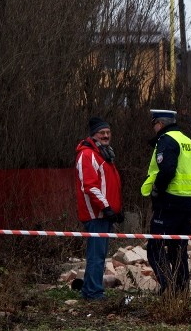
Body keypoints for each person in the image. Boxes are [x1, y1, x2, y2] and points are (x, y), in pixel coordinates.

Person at [141, 109, 191, 295]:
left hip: (169, 200)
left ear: (161, 124)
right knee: (178, 249)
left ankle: (167, 286)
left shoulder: (166, 140)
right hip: (187, 201)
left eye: (154, 124)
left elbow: (167, 170)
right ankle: (181, 290)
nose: (154, 128)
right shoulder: (187, 141)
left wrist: (157, 190)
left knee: (155, 247)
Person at [75, 116, 123, 300]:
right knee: (96, 255)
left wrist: (116, 209)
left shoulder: (104, 153)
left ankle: (89, 289)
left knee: (99, 254)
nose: (106, 135)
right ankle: (94, 293)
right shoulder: (87, 155)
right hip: (95, 214)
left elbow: (110, 185)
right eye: (102, 132)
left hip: (104, 214)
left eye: (108, 132)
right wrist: (107, 208)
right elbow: (90, 186)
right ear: (93, 135)